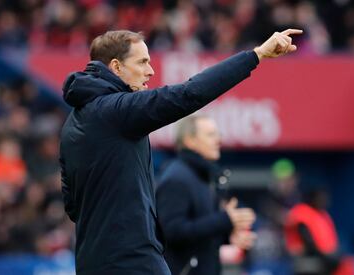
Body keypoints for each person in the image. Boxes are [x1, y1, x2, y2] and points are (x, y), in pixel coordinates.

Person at [59, 28, 302, 275]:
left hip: (92, 262)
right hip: (131, 262)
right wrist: (256, 55)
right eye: (142, 62)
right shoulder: (116, 112)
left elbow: (72, 206)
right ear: (116, 67)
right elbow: (189, 94)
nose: (150, 71)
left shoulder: (73, 125)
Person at [156, 115, 256, 275]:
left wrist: (228, 236)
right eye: (211, 135)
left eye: (218, 134)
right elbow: (171, 232)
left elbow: (199, 233)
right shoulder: (176, 178)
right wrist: (225, 220)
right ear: (190, 140)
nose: (218, 140)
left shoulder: (202, 176)